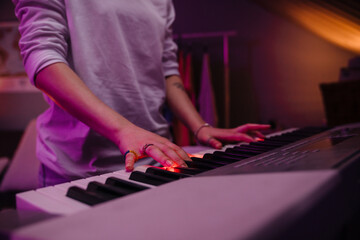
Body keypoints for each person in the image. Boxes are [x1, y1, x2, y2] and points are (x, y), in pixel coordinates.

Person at [13, 0, 270, 187]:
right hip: (78, 168)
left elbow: (167, 70)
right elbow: (42, 58)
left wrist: (199, 127)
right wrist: (122, 130)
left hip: (155, 160)